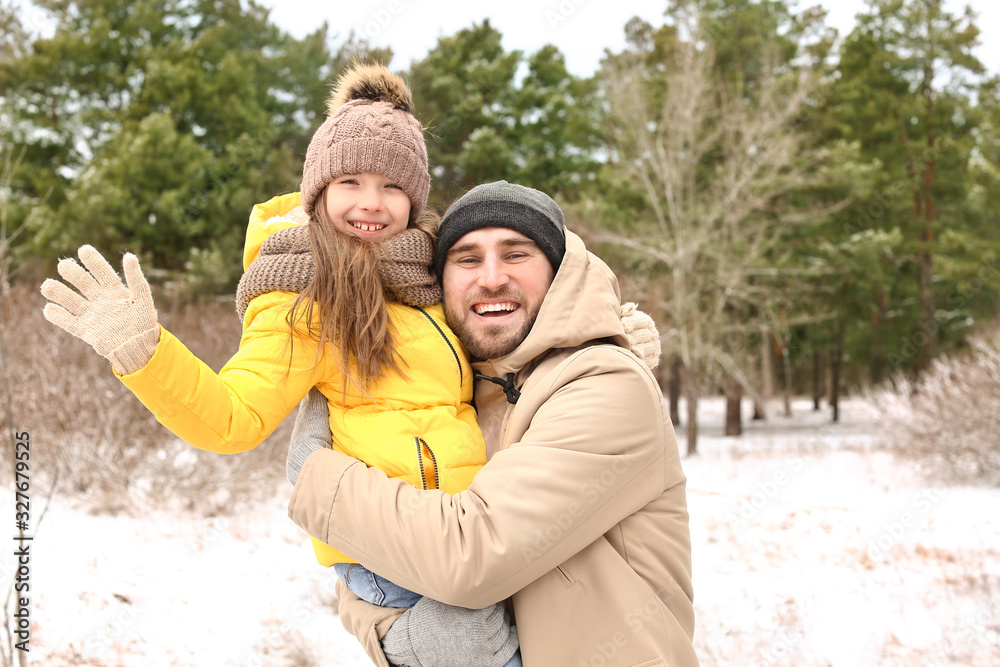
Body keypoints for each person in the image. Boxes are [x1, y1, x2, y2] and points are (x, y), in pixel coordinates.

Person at [40, 63, 522, 667]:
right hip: (396, 549)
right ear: (318, 191)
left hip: (461, 533)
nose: (371, 204)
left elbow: (501, 358)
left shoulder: (426, 276)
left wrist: (605, 343)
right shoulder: (308, 294)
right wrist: (145, 352)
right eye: (350, 181)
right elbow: (232, 419)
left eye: (392, 186)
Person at [283, 180, 699, 666]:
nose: (492, 278)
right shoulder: (457, 398)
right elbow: (370, 563)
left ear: (559, 271)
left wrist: (317, 475)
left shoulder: (607, 384)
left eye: (516, 254)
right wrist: (404, 639)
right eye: (467, 259)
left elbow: (472, 553)